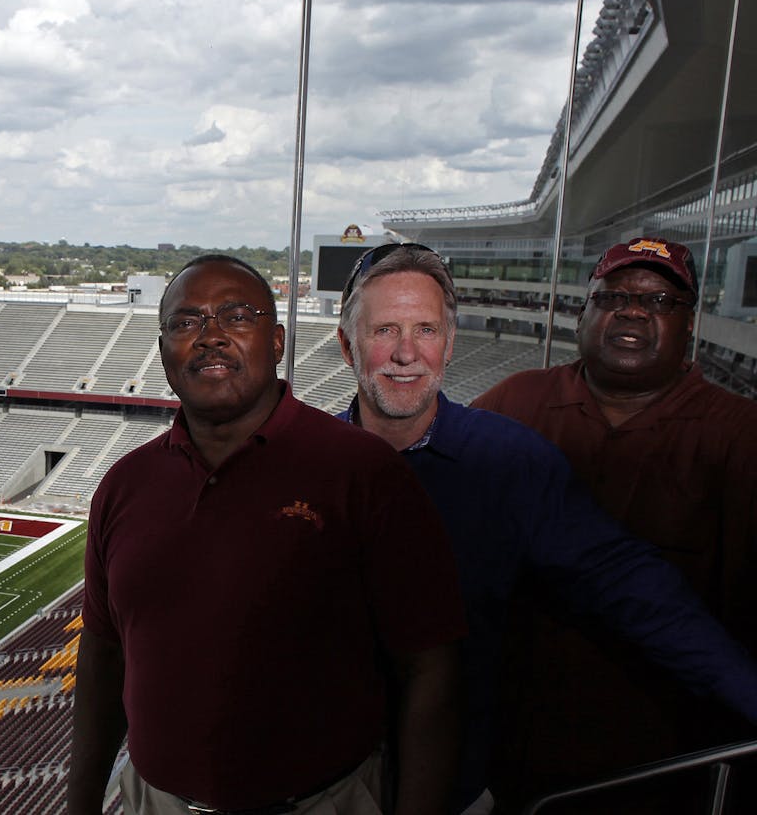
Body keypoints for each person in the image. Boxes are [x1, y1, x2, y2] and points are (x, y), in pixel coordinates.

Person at [334, 242, 757, 814]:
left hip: (454, 783)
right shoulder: (301, 464)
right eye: (385, 330)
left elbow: (628, 583)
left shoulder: (514, 460)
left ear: (450, 344)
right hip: (315, 779)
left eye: (426, 330)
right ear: (346, 344)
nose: (406, 353)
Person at [68, 253, 467, 815]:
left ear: (277, 342)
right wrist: (81, 801)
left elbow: (431, 667)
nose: (210, 337)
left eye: (236, 316)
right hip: (152, 801)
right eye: (186, 322)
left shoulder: (365, 472)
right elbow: (104, 650)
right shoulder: (124, 485)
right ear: (162, 352)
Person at [472, 237, 757, 805]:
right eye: (615, 296)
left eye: (660, 302)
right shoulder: (515, 402)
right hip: (512, 744)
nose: (633, 310)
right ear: (586, 313)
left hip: (663, 760)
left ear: (690, 323)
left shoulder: (739, 434)